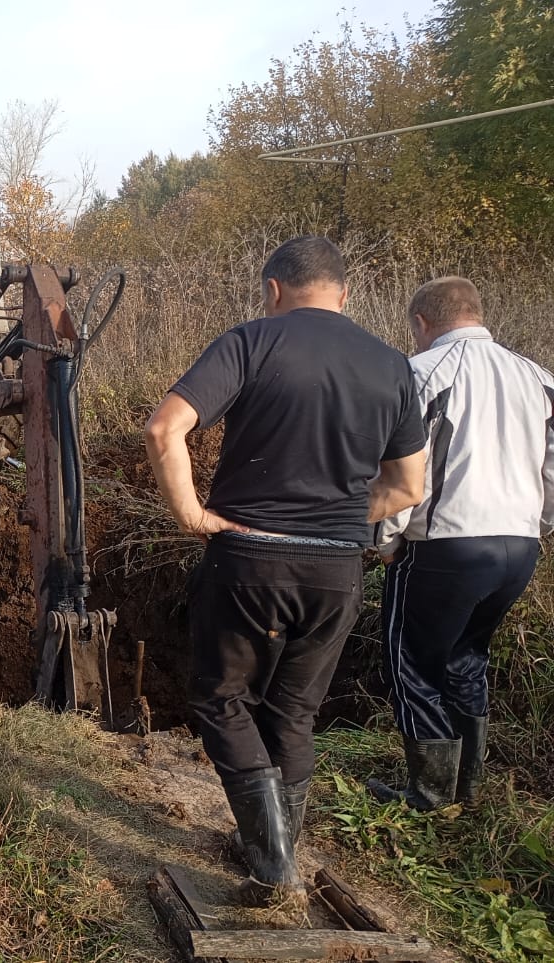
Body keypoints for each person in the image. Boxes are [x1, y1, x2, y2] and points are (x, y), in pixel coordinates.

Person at [144, 236, 426, 911]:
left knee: (222, 701)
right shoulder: (391, 364)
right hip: (336, 570)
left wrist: (191, 512)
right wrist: (341, 525)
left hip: (249, 558)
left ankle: (273, 866)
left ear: (272, 289)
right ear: (344, 294)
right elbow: (410, 485)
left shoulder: (251, 341)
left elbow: (163, 429)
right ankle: (274, 850)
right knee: (293, 714)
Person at [370, 277, 554, 812]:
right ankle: (466, 789)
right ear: (476, 313)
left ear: (422, 323)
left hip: (445, 543)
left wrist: (385, 538)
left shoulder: (419, 372)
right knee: (466, 658)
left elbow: (404, 465)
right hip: (519, 545)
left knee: (411, 663)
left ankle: (429, 792)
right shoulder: (538, 377)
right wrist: (535, 523)